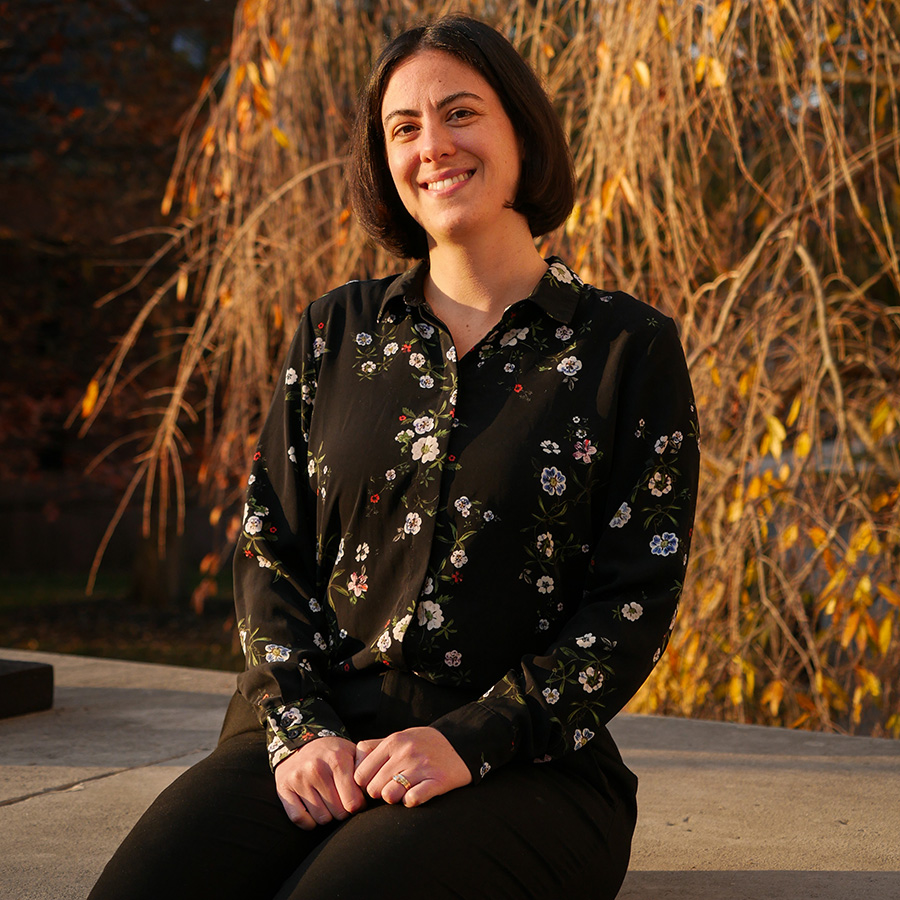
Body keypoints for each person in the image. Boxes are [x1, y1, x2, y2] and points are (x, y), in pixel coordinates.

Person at [88, 14, 699, 900]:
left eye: (461, 114)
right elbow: (269, 548)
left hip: (526, 760)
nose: (433, 146)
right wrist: (299, 727)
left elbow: (635, 597)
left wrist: (473, 737)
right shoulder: (334, 331)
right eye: (404, 128)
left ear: (521, 130)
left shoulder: (625, 347)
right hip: (320, 733)